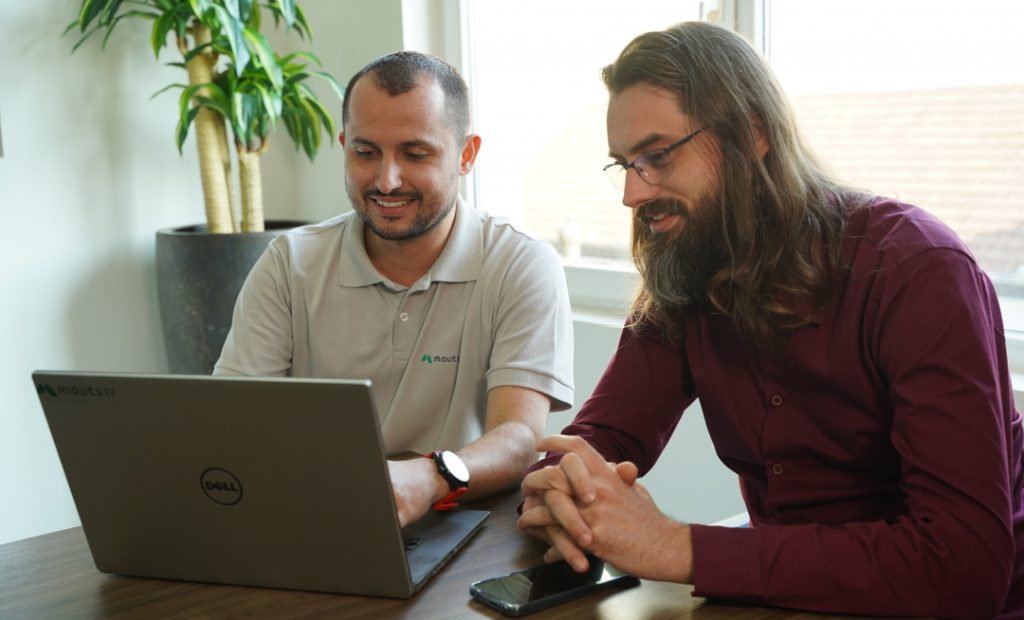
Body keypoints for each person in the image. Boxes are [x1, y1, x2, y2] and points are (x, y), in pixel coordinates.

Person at [516, 21, 1023, 619]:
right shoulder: (687, 261)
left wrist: (679, 547)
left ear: (751, 135)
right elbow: (604, 436)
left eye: (657, 156)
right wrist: (564, 487)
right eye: (623, 164)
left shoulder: (919, 272)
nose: (631, 192)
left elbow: (963, 564)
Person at [215, 51, 574, 529]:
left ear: (466, 155)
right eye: (366, 153)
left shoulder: (520, 262)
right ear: (344, 146)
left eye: (415, 153)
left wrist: (429, 477)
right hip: (313, 521)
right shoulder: (289, 264)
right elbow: (234, 425)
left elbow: (519, 438)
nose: (386, 180)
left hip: (462, 521)